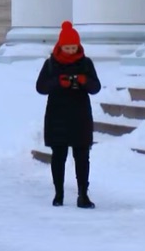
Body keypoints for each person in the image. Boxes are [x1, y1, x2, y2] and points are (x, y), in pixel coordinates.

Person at [37, 21, 101, 209]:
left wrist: (83, 80)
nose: (71, 50)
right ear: (60, 46)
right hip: (57, 115)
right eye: (68, 47)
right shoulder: (50, 64)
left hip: (80, 116)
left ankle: (83, 195)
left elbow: (95, 87)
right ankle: (59, 194)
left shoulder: (86, 63)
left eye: (74, 47)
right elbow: (41, 87)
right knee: (59, 156)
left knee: (82, 156)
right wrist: (59, 81)